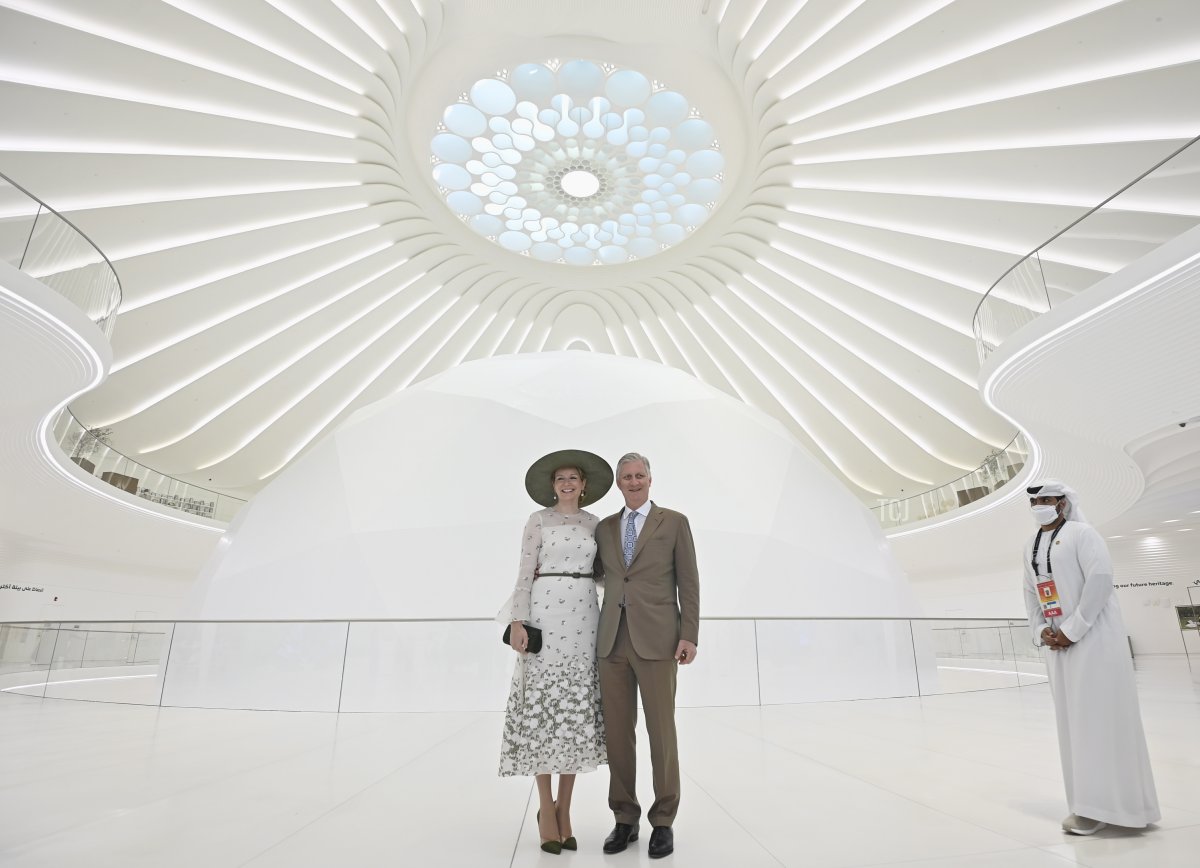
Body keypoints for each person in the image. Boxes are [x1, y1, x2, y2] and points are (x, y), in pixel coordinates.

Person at [1022, 479, 1160, 835]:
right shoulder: (1031, 545)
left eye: (1047, 499)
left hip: (1095, 643)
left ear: (1063, 503)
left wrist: (1073, 629)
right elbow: (1031, 594)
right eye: (1035, 500)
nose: (1040, 504)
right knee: (1073, 725)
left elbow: (1100, 582)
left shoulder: (1084, 534)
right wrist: (1042, 632)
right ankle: (1085, 805)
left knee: (1101, 720)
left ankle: (1116, 806)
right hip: (1059, 649)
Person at [498, 449, 612, 855]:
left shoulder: (594, 524)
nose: (566, 483)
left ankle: (567, 807)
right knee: (544, 710)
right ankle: (546, 807)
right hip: (545, 615)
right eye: (560, 478)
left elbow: (603, 573)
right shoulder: (538, 521)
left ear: (584, 486)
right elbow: (524, 572)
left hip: (584, 616)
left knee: (574, 711)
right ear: (553, 485)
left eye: (573, 478)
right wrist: (517, 621)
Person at [595, 452, 699, 859]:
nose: (634, 482)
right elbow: (594, 574)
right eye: (627, 477)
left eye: (640, 475)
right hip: (611, 643)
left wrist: (688, 633)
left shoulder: (673, 522)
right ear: (618, 484)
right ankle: (624, 818)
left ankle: (663, 820)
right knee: (618, 735)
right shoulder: (604, 529)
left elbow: (688, 581)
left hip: (659, 640)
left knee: (661, 732)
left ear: (650, 480)